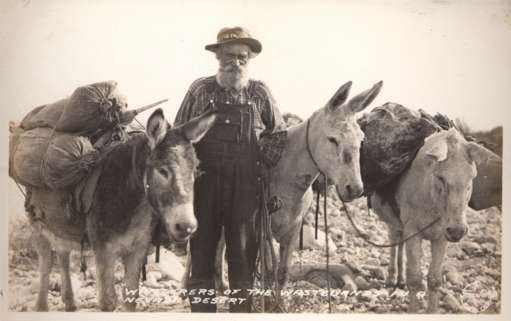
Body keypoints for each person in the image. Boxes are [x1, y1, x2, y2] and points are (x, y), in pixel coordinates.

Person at [174, 26, 285, 313]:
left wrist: (263, 163)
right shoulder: (200, 90)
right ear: (218, 57)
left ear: (249, 60)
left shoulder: (260, 92)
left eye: (242, 56)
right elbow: (178, 134)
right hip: (204, 184)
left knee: (243, 257)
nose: (235, 62)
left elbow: (278, 133)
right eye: (229, 56)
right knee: (201, 254)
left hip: (245, 186)